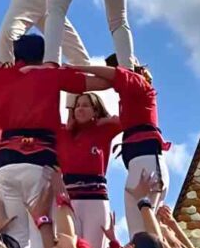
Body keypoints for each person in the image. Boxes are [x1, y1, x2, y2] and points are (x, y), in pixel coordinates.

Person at [0, 34, 107, 248]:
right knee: (41, 235)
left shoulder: (0, 73)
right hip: (39, 160)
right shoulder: (51, 74)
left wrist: (0, 69)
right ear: (43, 54)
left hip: (6, 164)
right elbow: (103, 83)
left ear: (16, 54)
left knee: (15, 236)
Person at [70, 62, 169, 237]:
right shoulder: (128, 104)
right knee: (138, 234)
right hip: (136, 164)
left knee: (148, 231)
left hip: (146, 159)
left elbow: (114, 76)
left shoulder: (140, 85)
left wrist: (81, 68)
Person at [57, 93, 122, 248]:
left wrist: (106, 119)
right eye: (77, 105)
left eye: (86, 105)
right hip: (68, 201)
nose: (80, 109)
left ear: (96, 110)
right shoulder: (63, 132)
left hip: (95, 200)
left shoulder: (103, 130)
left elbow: (126, 121)